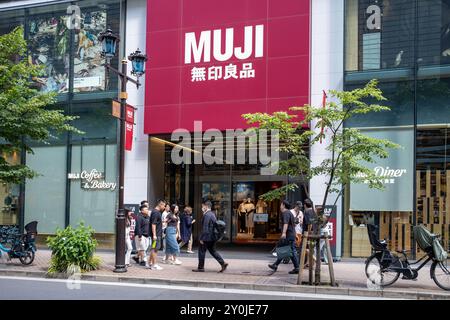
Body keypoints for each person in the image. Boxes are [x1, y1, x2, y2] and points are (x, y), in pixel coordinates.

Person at [192, 200, 228, 273]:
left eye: (202, 206)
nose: (202, 208)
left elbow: (205, 228)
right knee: (213, 251)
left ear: (206, 206)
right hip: (212, 237)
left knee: (201, 251)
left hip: (207, 237)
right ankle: (223, 263)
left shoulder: (207, 215)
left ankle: (200, 268)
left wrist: (202, 238)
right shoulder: (212, 214)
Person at [268, 200, 300, 274]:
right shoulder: (289, 213)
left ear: (284, 205)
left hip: (288, 235)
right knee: (285, 250)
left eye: (281, 205)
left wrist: (284, 233)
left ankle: (297, 268)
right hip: (290, 234)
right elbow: (293, 224)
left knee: (290, 251)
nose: (280, 206)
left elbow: (286, 223)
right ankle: (275, 265)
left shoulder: (285, 213)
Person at [148, 199, 165, 270]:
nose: (164, 207)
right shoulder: (156, 212)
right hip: (156, 235)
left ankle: (150, 263)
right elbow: (153, 224)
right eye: (164, 205)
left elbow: (155, 223)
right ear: (160, 204)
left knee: (153, 248)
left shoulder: (155, 212)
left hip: (156, 234)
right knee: (155, 249)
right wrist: (154, 235)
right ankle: (154, 264)